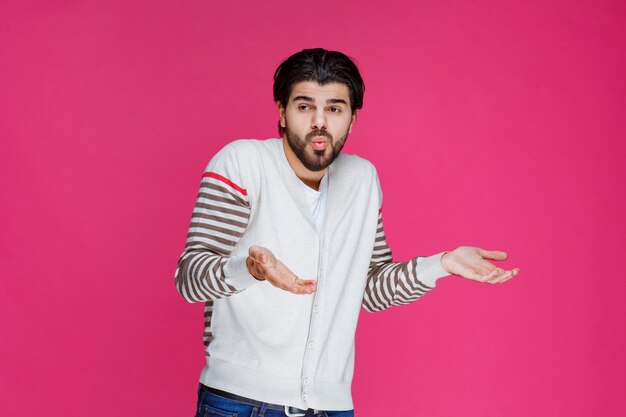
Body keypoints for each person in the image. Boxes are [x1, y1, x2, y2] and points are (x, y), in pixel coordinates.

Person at [174, 48, 520, 417]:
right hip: (242, 403)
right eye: (305, 107)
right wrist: (252, 269)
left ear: (353, 119)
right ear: (282, 111)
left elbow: (368, 289)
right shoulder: (242, 163)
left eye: (334, 109)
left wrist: (442, 264)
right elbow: (190, 278)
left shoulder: (362, 180)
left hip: (331, 407)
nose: (319, 122)